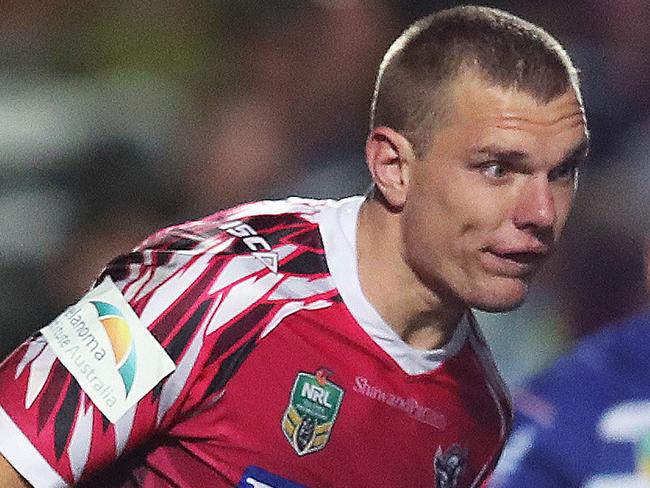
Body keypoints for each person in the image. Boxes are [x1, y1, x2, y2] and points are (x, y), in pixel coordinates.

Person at [0, 6, 589, 487]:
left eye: (562, 172)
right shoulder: (213, 284)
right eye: (496, 169)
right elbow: (13, 456)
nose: (540, 214)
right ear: (393, 167)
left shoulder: (482, 414)